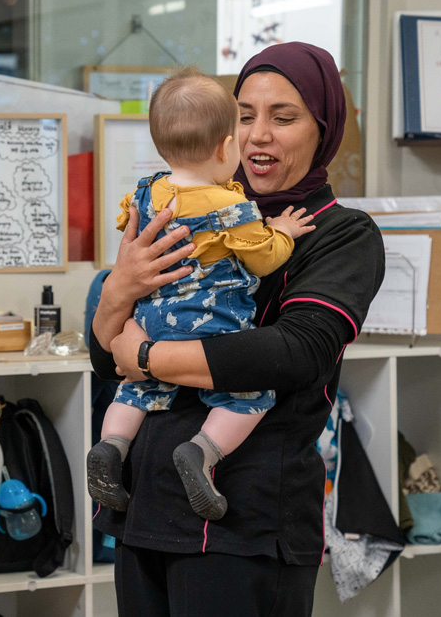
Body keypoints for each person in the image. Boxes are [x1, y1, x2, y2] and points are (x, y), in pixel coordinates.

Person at [90, 42, 385, 617]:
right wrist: (119, 289)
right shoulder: (188, 213)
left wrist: (146, 356)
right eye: (244, 116)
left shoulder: (341, 235)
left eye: (284, 117)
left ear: (324, 130)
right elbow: (106, 358)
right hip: (143, 507)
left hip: (246, 521)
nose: (258, 135)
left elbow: (295, 352)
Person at [86, 68, 315, 522]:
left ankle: (110, 446)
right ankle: (202, 452)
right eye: (244, 122)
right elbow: (263, 258)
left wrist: (139, 340)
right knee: (247, 396)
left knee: (136, 388)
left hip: (150, 322)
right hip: (209, 327)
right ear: (226, 148)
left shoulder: (147, 192)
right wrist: (283, 232)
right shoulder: (229, 205)